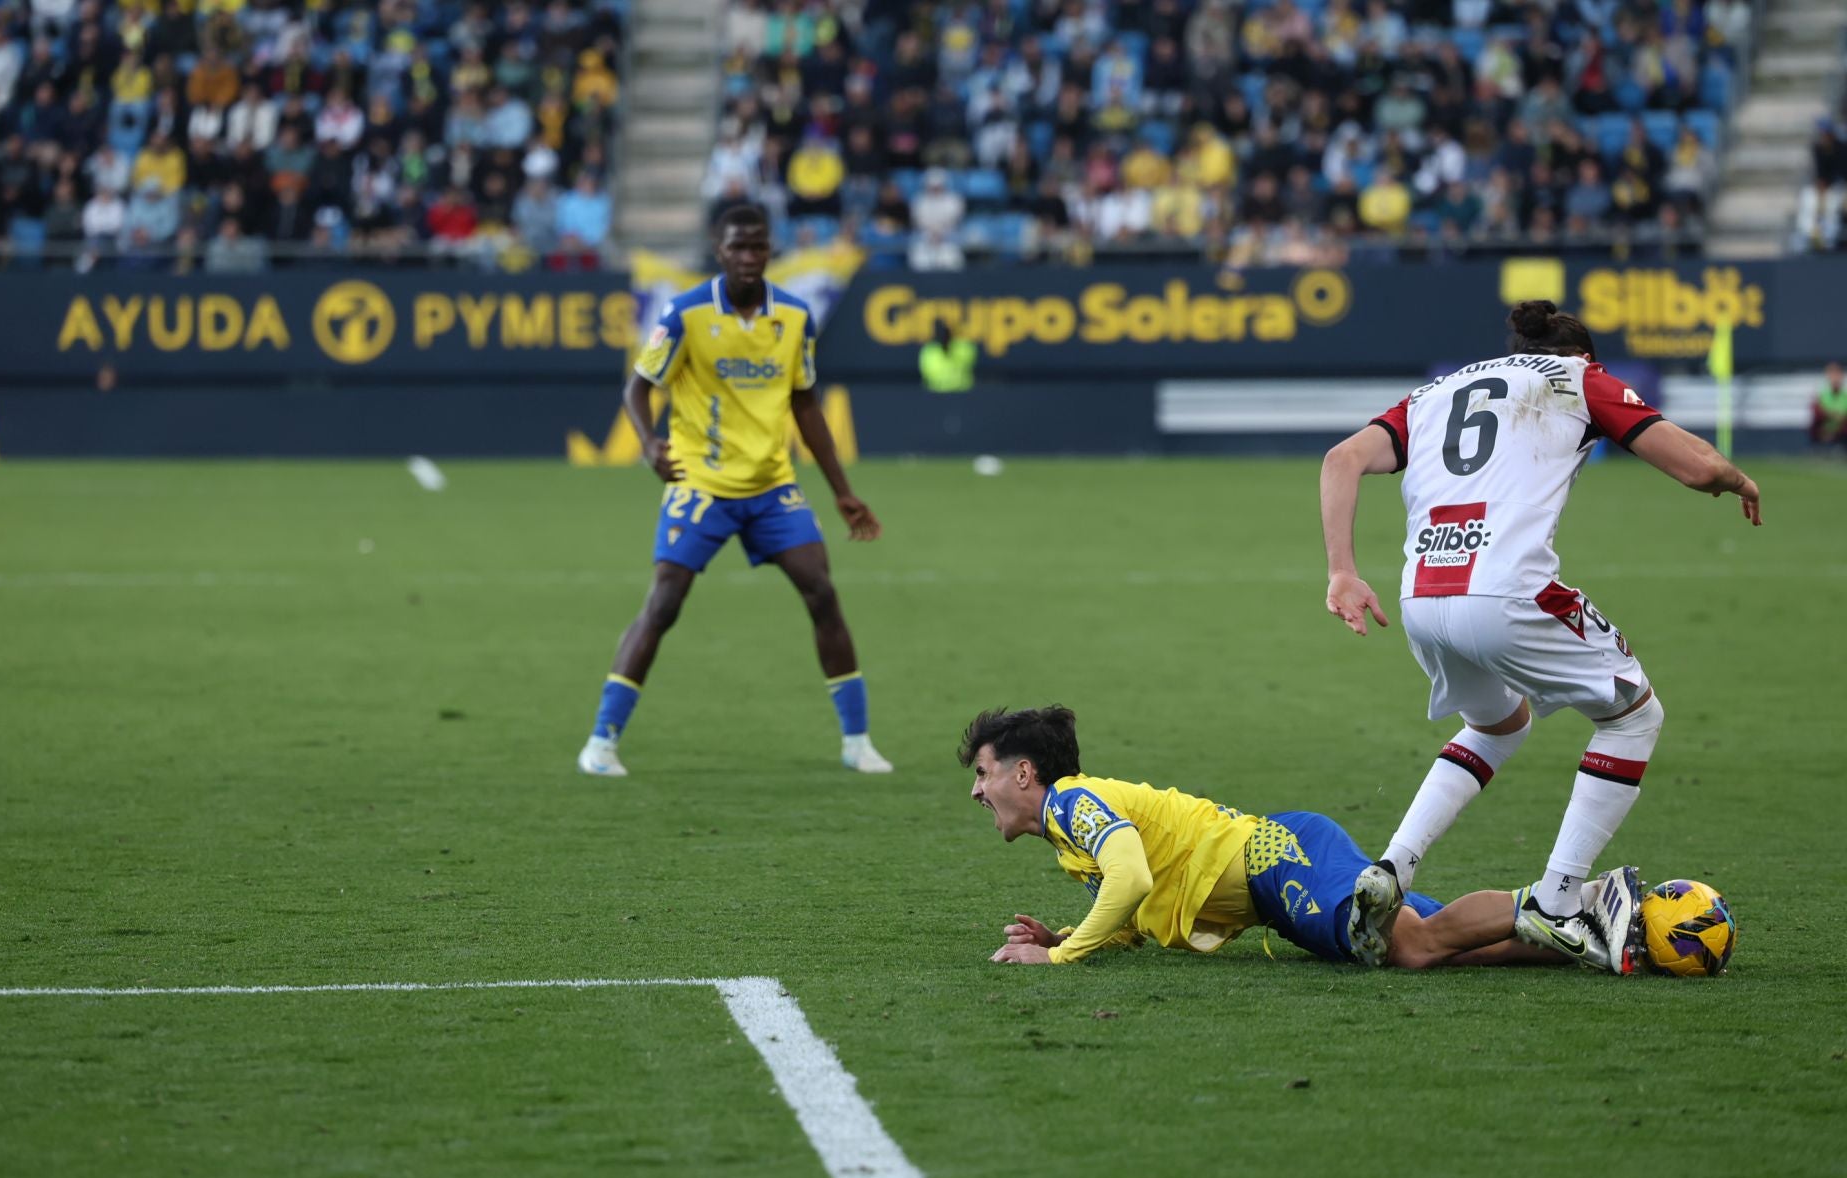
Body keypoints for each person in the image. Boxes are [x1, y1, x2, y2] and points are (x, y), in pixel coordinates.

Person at [1319, 300, 1760, 973]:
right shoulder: (1579, 379)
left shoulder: (1436, 391)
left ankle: (1391, 868)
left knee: (1499, 724)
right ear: (1583, 354)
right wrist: (1737, 476)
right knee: (1634, 717)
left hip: (1425, 594)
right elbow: (1696, 466)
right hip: (1508, 590)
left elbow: (1342, 458)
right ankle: (1557, 901)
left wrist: (1344, 571)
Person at [577, 204, 893, 778]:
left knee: (821, 590)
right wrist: (649, 443)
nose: (748, 257)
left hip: (772, 486)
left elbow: (805, 404)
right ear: (718, 251)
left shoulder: (794, 318)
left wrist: (842, 490)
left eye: (757, 247)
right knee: (665, 601)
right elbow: (638, 388)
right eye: (737, 247)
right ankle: (601, 740)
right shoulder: (686, 314)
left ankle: (857, 740)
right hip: (701, 482)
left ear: (769, 251)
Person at [961, 705, 1627, 970]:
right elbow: (1141, 901)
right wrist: (1070, 935)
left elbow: (1133, 880)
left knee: (1417, 949)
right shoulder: (1072, 829)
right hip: (1279, 875)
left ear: (1025, 773)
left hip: (1276, 861)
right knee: (1433, 946)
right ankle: (1599, 929)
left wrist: (1060, 956)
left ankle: (1552, 901)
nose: (976, 790)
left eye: (984, 773)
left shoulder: (1075, 802)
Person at [919, 320, 977, 392]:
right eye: (942, 334)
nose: (944, 336)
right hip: (936, 395)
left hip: (963, 393)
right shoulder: (929, 352)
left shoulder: (965, 348)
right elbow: (927, 374)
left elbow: (969, 360)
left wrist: (950, 347)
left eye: (946, 333)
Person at [1811, 361, 1847, 447]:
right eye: (1832, 374)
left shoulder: (1845, 395)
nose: (1835, 378)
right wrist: (1832, 415)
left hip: (1843, 434)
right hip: (1823, 433)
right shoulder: (1820, 394)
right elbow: (1817, 414)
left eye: (1837, 374)